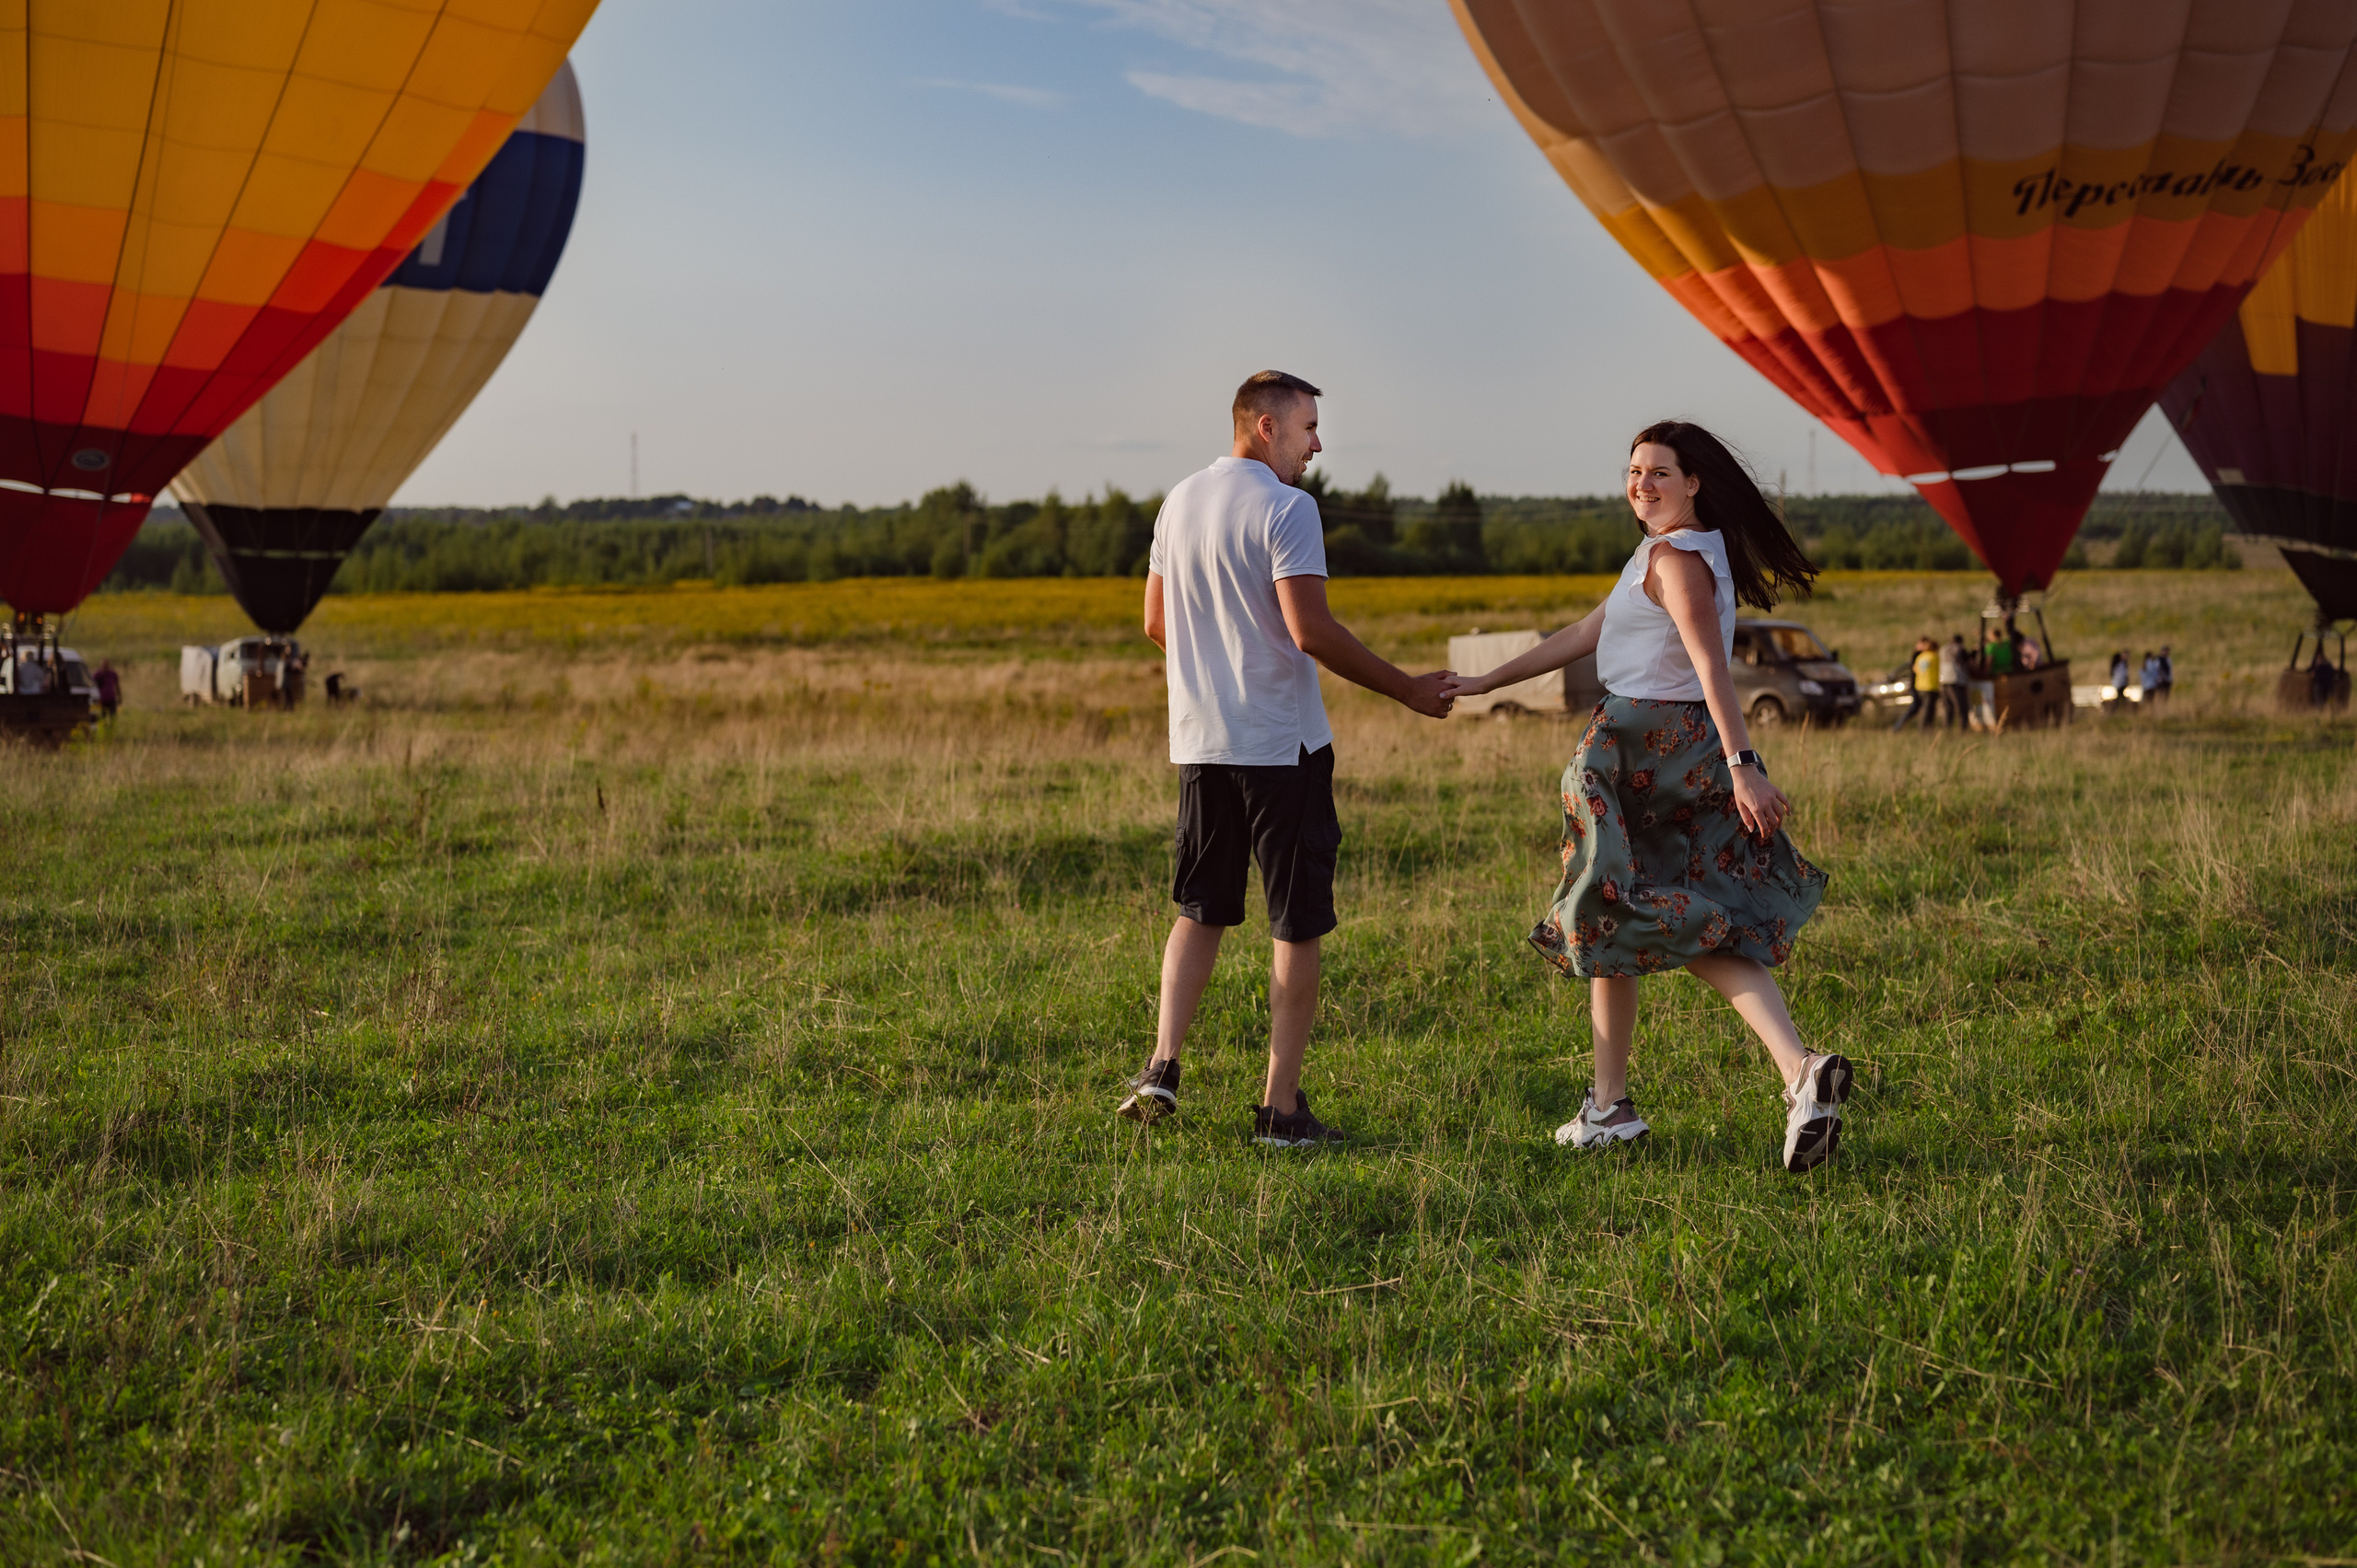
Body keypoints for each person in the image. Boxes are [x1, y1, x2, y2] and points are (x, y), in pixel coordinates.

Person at [1447, 421, 1847, 1173]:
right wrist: (1482, 683)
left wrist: (1745, 763)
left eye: (1660, 472)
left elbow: (1711, 669)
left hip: (1641, 752)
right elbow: (1581, 632)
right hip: (1673, 752)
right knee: (1648, 911)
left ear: (1695, 483)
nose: (1642, 485)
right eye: (1634, 471)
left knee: (1625, 907)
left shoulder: (1674, 558)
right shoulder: (1674, 552)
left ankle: (1626, 1105)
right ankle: (1762, 1078)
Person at [1117, 370, 1456, 1146]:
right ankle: (1280, 1107)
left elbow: (1154, 623)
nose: (1317, 444)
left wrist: (1217, 665)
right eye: (1307, 427)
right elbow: (1312, 630)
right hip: (1283, 745)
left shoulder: (1178, 501)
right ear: (1265, 428)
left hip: (1202, 743)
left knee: (1199, 909)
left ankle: (1162, 1067)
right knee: (1295, 923)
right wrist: (1406, 688)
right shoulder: (1287, 507)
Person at [1892, 635, 1938, 732]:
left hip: (1919, 686)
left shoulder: (1920, 656)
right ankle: (1900, 727)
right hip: (1919, 685)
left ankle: (1899, 727)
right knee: (1918, 709)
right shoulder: (1921, 655)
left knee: (1917, 709)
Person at [1939, 633, 1969, 728]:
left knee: (1948, 708)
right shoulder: (1960, 649)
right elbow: (1969, 663)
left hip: (1943, 681)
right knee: (1961, 707)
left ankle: (1947, 729)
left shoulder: (1943, 649)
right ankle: (1963, 729)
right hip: (1956, 681)